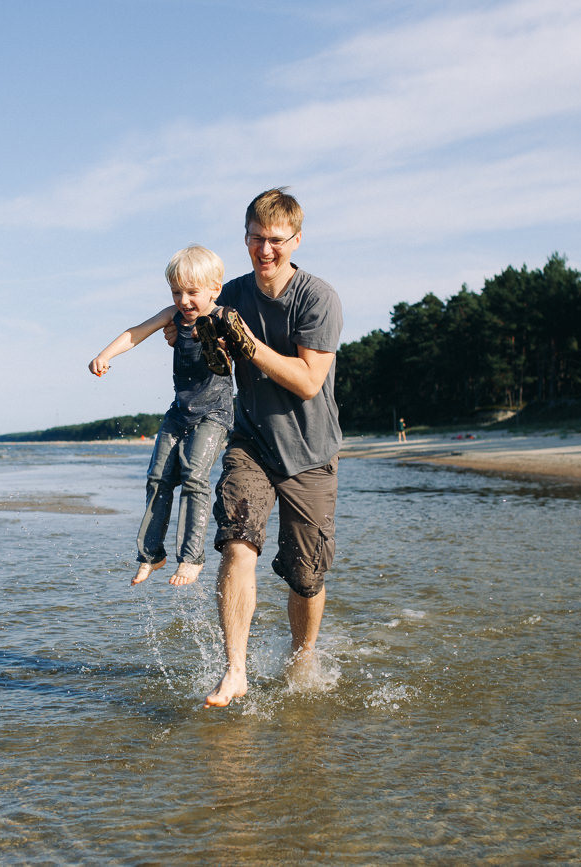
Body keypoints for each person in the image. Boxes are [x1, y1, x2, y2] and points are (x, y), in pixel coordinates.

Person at [179, 188, 343, 708]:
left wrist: (248, 344)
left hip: (310, 453)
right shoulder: (231, 294)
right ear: (245, 238)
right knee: (237, 543)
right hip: (249, 443)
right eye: (256, 238)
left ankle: (304, 656)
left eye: (276, 240)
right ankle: (235, 671)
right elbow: (211, 354)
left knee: (305, 575)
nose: (265, 249)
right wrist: (194, 338)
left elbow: (308, 381)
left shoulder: (317, 298)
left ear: (296, 240)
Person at [89, 245, 234, 587]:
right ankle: (152, 555)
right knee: (158, 478)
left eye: (192, 292)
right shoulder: (173, 316)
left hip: (214, 415)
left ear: (215, 288)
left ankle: (191, 557)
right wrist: (105, 354)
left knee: (195, 478)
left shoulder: (223, 318)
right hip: (178, 413)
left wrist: (220, 342)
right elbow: (136, 332)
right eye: (176, 292)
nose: (184, 300)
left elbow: (235, 356)